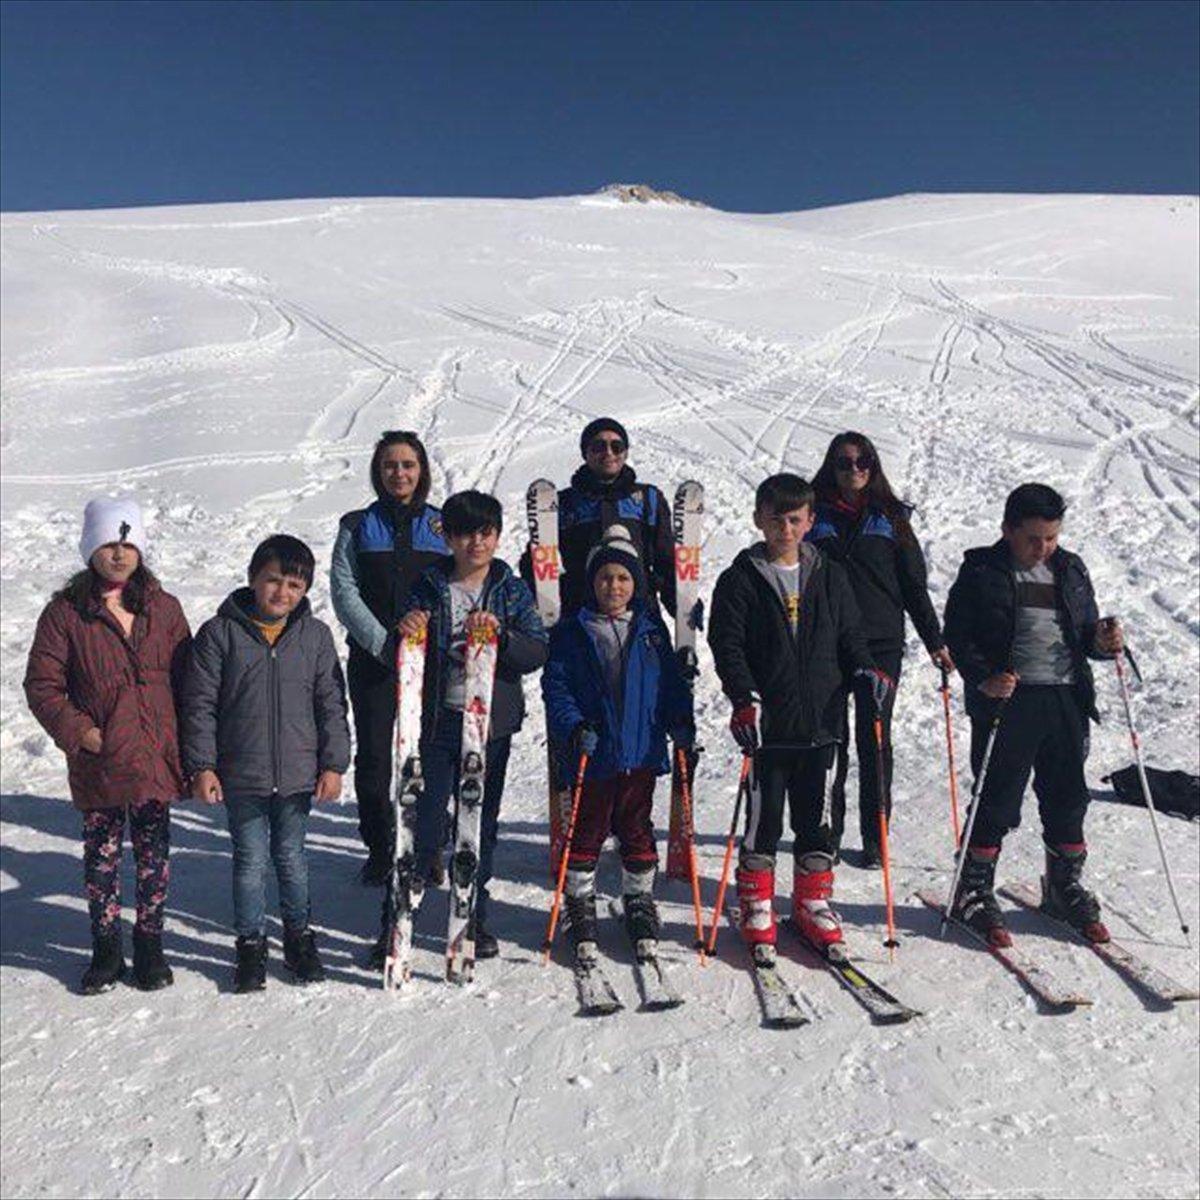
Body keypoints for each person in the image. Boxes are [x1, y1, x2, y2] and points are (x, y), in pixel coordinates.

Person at [707, 473, 888, 963]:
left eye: (794, 520)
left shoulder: (830, 574)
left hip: (822, 724)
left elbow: (851, 635)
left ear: (810, 522)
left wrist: (864, 668)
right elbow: (727, 644)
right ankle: (756, 901)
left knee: (817, 819)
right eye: (776, 520)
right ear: (758, 520)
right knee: (763, 818)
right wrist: (743, 697)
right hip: (769, 728)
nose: (784, 529)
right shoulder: (741, 578)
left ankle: (812, 901)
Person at [369, 490, 547, 965]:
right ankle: (394, 921)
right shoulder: (430, 585)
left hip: (489, 727)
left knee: (478, 825)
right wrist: (407, 628)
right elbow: (399, 642)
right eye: (465, 534)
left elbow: (536, 649)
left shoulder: (509, 588)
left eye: (485, 533)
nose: (476, 543)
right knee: (421, 824)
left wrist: (504, 637)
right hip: (436, 723)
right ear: (447, 537)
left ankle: (473, 918)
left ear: (497, 536)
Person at [942, 483, 1123, 947]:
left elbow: (1085, 632)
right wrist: (983, 677)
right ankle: (972, 888)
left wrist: (1102, 642)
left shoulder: (1070, 568)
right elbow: (958, 635)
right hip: (1010, 699)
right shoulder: (982, 570)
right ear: (1008, 530)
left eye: (1052, 538)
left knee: (1067, 795)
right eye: (1033, 539)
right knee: (997, 796)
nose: (1043, 548)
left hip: (1065, 696)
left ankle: (1063, 885)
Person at [24, 497, 191, 995]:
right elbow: (43, 686)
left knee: (154, 855)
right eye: (108, 544)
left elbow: (189, 679)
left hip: (155, 754)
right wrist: (81, 733)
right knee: (102, 857)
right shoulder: (65, 614)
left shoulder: (164, 607)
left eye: (128, 544)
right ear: (89, 549)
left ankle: (150, 944)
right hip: (101, 759)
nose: (119, 554)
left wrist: (189, 740)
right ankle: (106, 947)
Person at [184, 535, 351, 992]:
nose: (282, 592)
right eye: (273, 580)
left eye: (294, 585)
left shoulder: (315, 637)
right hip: (243, 774)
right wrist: (203, 766)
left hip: (298, 774)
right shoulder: (220, 634)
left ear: (306, 590)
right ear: (253, 579)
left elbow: (331, 704)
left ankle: (299, 939)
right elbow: (199, 705)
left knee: (292, 858)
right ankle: (251, 945)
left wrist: (333, 764)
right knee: (250, 861)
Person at [541, 528, 694, 959]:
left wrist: (681, 722)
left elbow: (669, 685)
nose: (614, 586)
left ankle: (639, 898)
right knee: (587, 828)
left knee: (636, 828)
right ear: (592, 581)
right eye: (605, 577)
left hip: (640, 750)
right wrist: (573, 727)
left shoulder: (650, 630)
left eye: (623, 578)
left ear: (635, 584)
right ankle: (579, 901)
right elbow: (557, 688)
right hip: (593, 753)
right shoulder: (573, 631)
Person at [808, 431, 953, 866]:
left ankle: (876, 836)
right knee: (830, 738)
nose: (853, 470)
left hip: (880, 643)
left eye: (862, 461)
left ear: (873, 466)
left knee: (874, 738)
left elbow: (913, 585)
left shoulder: (890, 518)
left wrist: (935, 641)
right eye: (844, 462)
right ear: (831, 467)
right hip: (828, 641)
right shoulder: (813, 516)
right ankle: (826, 832)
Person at [330, 430, 447, 885]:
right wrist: (381, 643)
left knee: (430, 755)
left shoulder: (440, 526)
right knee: (376, 759)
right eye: (390, 465)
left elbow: (454, 585)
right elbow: (344, 590)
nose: (399, 473)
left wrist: (426, 631)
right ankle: (380, 847)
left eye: (408, 465)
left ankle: (428, 846)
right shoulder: (357, 526)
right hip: (374, 660)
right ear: (378, 472)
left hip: (429, 662)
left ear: (422, 471)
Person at [521, 417, 677, 620]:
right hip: (579, 614)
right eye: (598, 447)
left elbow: (666, 562)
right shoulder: (562, 504)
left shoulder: (648, 499)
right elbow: (537, 560)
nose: (609, 453)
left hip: (640, 615)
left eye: (617, 446)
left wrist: (680, 606)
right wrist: (541, 600)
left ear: (626, 452)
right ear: (585, 453)